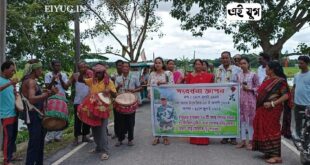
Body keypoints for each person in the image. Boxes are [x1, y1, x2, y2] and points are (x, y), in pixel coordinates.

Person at [252, 61, 291, 164]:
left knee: (272, 130)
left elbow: (286, 95)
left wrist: (272, 103)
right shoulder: (267, 79)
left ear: (272, 70)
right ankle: (268, 152)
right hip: (262, 109)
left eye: (267, 68)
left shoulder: (280, 81)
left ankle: (276, 156)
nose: (265, 69)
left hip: (273, 109)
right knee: (264, 129)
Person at [21, 59, 58, 165]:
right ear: (35, 70)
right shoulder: (31, 81)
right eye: (40, 69)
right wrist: (48, 94)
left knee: (39, 142)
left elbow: (34, 96)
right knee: (35, 143)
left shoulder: (29, 80)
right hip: (33, 116)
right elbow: (32, 99)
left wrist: (47, 92)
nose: (41, 72)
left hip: (36, 115)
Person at [78, 63, 116, 160]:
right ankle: (98, 147)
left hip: (103, 110)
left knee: (102, 131)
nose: (97, 74)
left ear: (104, 73)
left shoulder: (108, 82)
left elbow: (115, 94)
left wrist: (109, 91)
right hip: (92, 109)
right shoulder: (92, 81)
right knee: (94, 130)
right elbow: (80, 80)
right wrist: (82, 71)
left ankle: (105, 151)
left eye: (99, 73)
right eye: (96, 73)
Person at [185, 59, 214, 145]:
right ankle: (194, 139)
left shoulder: (209, 76)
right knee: (194, 119)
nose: (198, 66)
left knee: (204, 120)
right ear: (194, 66)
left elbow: (213, 87)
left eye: (199, 64)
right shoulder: (189, 76)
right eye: (196, 64)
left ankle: (204, 139)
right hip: (193, 102)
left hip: (205, 102)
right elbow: (186, 88)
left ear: (202, 65)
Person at [215, 51, 241, 145]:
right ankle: (225, 136)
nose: (225, 59)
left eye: (227, 58)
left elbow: (240, 82)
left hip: (233, 97)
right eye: (223, 58)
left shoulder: (237, 69)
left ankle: (233, 137)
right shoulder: (218, 69)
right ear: (221, 59)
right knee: (223, 116)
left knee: (233, 116)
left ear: (230, 59)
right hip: (221, 97)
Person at [66, 61, 93, 146]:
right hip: (78, 101)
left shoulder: (90, 75)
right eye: (81, 67)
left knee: (87, 119)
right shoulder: (75, 76)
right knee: (78, 120)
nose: (83, 69)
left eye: (84, 67)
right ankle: (76, 138)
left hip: (88, 101)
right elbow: (67, 84)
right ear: (78, 68)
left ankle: (85, 136)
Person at [114, 62, 141, 146]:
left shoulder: (135, 77)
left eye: (127, 66)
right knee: (120, 121)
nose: (125, 68)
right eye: (123, 66)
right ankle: (120, 139)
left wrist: (134, 90)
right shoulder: (118, 78)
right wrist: (118, 86)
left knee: (130, 121)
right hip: (120, 102)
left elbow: (140, 87)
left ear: (129, 68)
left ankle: (130, 139)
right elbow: (114, 91)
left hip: (130, 102)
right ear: (121, 68)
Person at [148, 57, 174, 145]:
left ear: (163, 64)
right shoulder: (152, 74)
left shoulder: (168, 73)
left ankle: (165, 137)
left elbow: (172, 84)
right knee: (156, 117)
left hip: (165, 98)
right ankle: (157, 136)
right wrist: (148, 92)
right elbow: (149, 85)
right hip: (155, 99)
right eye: (156, 63)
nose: (157, 64)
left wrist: (162, 83)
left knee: (165, 116)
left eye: (159, 63)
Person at [235, 57, 259, 150]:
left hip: (250, 101)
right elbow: (236, 87)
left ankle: (251, 141)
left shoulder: (253, 75)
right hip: (241, 101)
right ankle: (243, 141)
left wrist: (250, 88)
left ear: (248, 64)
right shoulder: (238, 75)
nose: (242, 65)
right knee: (242, 121)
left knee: (250, 121)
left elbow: (258, 87)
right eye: (241, 63)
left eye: (244, 63)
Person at [44, 60, 68, 143]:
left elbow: (66, 87)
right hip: (52, 98)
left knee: (61, 116)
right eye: (56, 65)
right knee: (51, 116)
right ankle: (49, 137)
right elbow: (47, 87)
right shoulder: (48, 75)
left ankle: (58, 136)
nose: (58, 67)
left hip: (61, 97)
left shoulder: (64, 74)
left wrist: (61, 79)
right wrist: (53, 80)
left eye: (59, 65)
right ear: (52, 66)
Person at [0, 61, 19, 165]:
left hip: (13, 112)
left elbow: (12, 95)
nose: (13, 72)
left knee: (13, 136)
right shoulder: (1, 80)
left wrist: (15, 91)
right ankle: (6, 161)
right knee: (8, 137)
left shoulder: (10, 81)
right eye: (12, 70)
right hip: (5, 114)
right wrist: (9, 84)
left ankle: (11, 156)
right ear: (5, 70)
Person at [292, 55, 310, 139]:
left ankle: (306, 140)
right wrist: (292, 100)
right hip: (297, 104)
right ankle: (299, 139)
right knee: (298, 123)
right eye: (298, 63)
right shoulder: (296, 75)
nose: (299, 65)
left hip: (308, 105)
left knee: (307, 124)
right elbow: (294, 88)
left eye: (301, 63)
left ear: (307, 64)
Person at [111, 60, 123, 139]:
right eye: (119, 65)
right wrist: (118, 86)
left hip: (125, 99)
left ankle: (123, 132)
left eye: (122, 65)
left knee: (124, 117)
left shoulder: (125, 75)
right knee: (116, 117)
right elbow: (112, 89)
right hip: (116, 99)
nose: (121, 67)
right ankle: (116, 133)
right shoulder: (113, 76)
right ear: (116, 66)